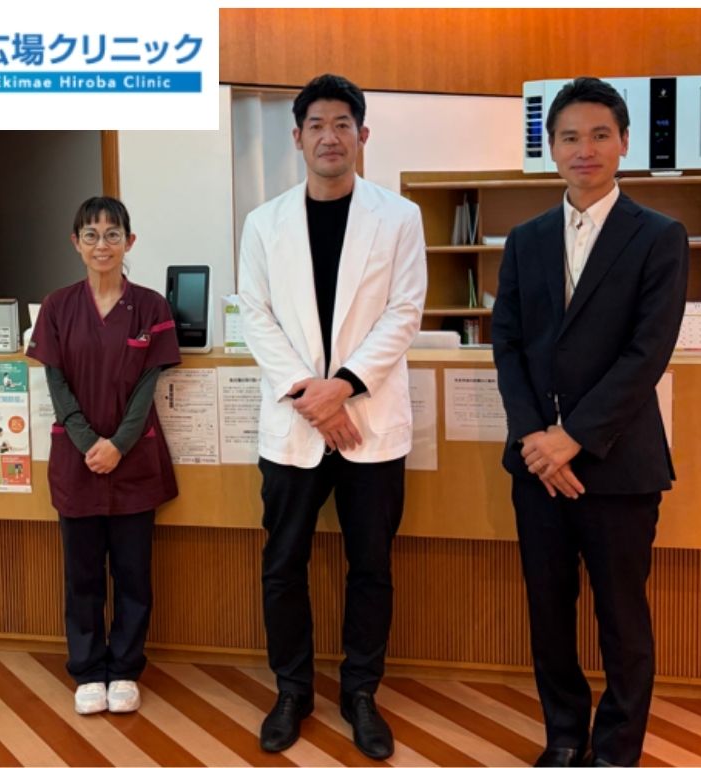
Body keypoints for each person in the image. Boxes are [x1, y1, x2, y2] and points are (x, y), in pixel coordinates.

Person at [491, 77, 689, 768]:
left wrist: (572, 438)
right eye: (570, 137)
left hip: (618, 462)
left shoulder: (659, 236)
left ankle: (615, 750)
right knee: (549, 613)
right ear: (551, 149)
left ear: (624, 142)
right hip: (537, 468)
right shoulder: (526, 239)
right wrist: (534, 440)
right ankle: (565, 736)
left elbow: (647, 352)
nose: (585, 149)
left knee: (621, 618)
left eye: (600, 135)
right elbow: (507, 344)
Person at [238, 74, 426, 759]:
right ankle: (292, 691)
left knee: (370, 565)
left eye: (343, 124)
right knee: (283, 563)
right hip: (296, 425)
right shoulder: (263, 223)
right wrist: (310, 395)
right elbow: (254, 315)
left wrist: (341, 387)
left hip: (368, 423)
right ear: (297, 137)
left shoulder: (399, 217)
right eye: (316, 124)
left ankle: (361, 693)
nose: (329, 136)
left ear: (362, 135)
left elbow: (405, 312)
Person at [27, 196, 181, 716]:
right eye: (91, 235)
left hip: (133, 461)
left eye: (113, 234)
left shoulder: (152, 307)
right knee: (83, 576)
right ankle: (89, 670)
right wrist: (88, 441)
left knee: (134, 575)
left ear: (129, 242)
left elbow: (147, 387)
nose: (102, 245)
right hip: (78, 462)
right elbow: (57, 384)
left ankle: (126, 668)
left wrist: (118, 445)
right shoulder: (57, 307)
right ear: (76, 243)